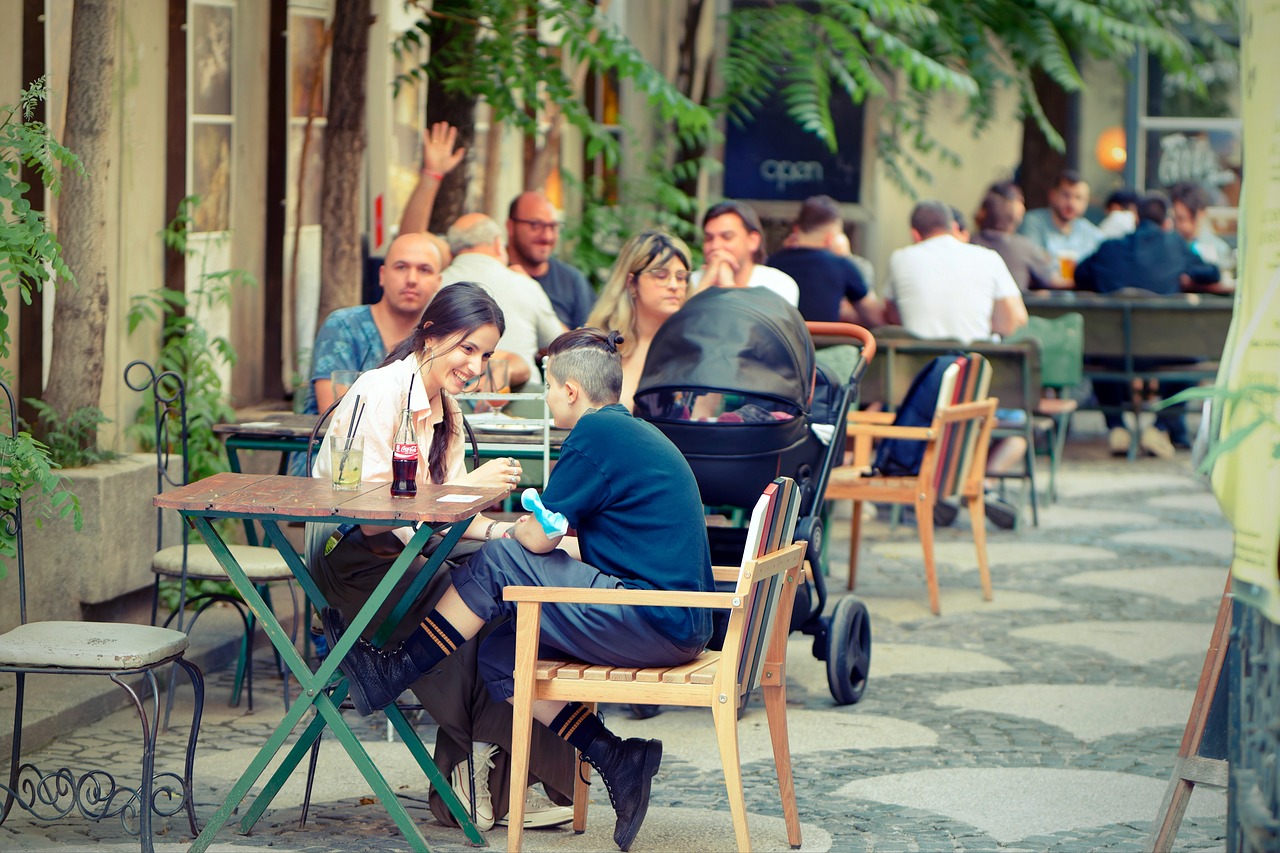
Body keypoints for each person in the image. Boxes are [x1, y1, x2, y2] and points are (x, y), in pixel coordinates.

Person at [322, 327, 715, 852]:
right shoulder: (629, 433)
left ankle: (393, 673)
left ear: (571, 390)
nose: (549, 397)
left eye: (551, 386)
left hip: (656, 619)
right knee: (505, 656)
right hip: (670, 616)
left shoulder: (595, 435)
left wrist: (520, 529)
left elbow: (539, 534)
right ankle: (617, 757)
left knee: (501, 559)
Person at [308, 282, 576, 831]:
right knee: (467, 606)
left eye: (485, 353)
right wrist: (467, 491)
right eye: (467, 348)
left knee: (512, 593)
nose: (475, 366)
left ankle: (494, 774)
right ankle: (472, 774)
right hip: (356, 564)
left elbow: (448, 524)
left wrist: (512, 534)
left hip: (412, 559)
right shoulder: (378, 392)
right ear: (429, 333)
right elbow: (363, 507)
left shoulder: (447, 412)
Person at [882, 200, 1029, 529]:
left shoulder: (901, 258)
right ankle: (979, 483)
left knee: (914, 416)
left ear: (915, 234)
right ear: (954, 227)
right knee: (1016, 429)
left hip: (917, 393)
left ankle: (940, 487)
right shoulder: (987, 258)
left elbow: (890, 317)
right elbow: (1014, 321)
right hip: (974, 391)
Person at [1073, 191, 1220, 457]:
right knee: (1195, 357)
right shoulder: (1175, 245)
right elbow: (1213, 272)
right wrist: (1187, 274)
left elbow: (1079, 273)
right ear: (1166, 221)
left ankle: (1117, 428)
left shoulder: (1109, 249)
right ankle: (1160, 425)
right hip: (1166, 352)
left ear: (1136, 219)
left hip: (1113, 354)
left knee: (1099, 347)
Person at [303, 232, 444, 417]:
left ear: (438, 282)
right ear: (382, 275)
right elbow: (337, 414)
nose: (412, 279)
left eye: (424, 270)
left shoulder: (442, 336)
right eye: (401, 267)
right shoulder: (344, 326)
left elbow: (461, 409)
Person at [440, 213, 567, 387]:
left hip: (451, 397)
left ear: (451, 251)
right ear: (499, 245)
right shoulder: (524, 284)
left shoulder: (435, 284)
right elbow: (561, 344)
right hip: (525, 403)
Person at [585, 230, 693, 410]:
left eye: (681, 277)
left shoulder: (694, 344)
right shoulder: (597, 342)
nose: (674, 286)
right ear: (631, 283)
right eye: (661, 275)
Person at [766, 194, 885, 326]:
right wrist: (847, 258)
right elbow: (876, 318)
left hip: (782, 345)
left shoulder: (771, 263)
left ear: (796, 229)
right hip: (826, 345)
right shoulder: (842, 265)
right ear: (830, 238)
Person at [507, 191, 597, 328]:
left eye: (553, 227)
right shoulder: (492, 271)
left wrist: (532, 294)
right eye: (535, 225)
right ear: (511, 227)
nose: (547, 236)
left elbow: (588, 344)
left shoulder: (573, 281)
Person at [691, 200, 800, 306]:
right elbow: (686, 322)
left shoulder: (778, 283)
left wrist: (727, 283)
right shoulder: (690, 282)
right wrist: (706, 281)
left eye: (727, 237)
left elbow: (746, 322)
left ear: (753, 241)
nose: (715, 246)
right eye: (709, 238)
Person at [970, 190, 1066, 291]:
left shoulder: (970, 242)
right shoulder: (1024, 246)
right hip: (1013, 304)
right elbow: (1053, 281)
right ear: (1014, 217)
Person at [1018, 170, 1104, 267]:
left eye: (1078, 198)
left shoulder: (1088, 230)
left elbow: (1107, 255)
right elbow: (1033, 262)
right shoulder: (1034, 222)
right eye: (1066, 195)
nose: (1071, 203)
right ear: (1052, 195)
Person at [398, 121, 467, 236]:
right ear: (508, 225)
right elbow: (411, 238)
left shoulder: (492, 250)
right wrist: (432, 173)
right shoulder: (458, 247)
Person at [1169, 181, 1232, 268]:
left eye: (1191, 218)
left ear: (1202, 214)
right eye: (1179, 218)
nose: (1185, 226)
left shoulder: (1219, 249)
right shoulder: (1168, 248)